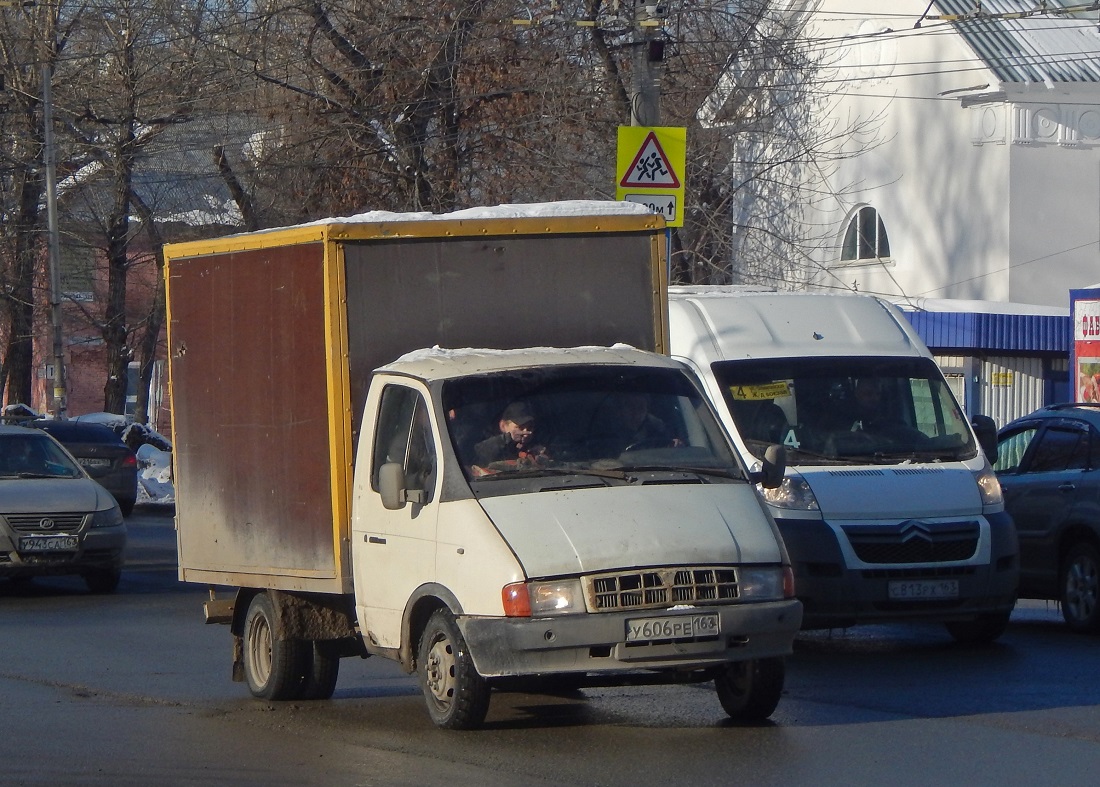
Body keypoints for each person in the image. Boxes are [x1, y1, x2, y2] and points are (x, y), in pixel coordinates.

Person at [473, 401, 549, 467]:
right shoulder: (489, 443)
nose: (526, 433)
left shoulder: (538, 444)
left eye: (530, 427)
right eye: (520, 427)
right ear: (503, 426)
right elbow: (478, 453)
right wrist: (508, 438)